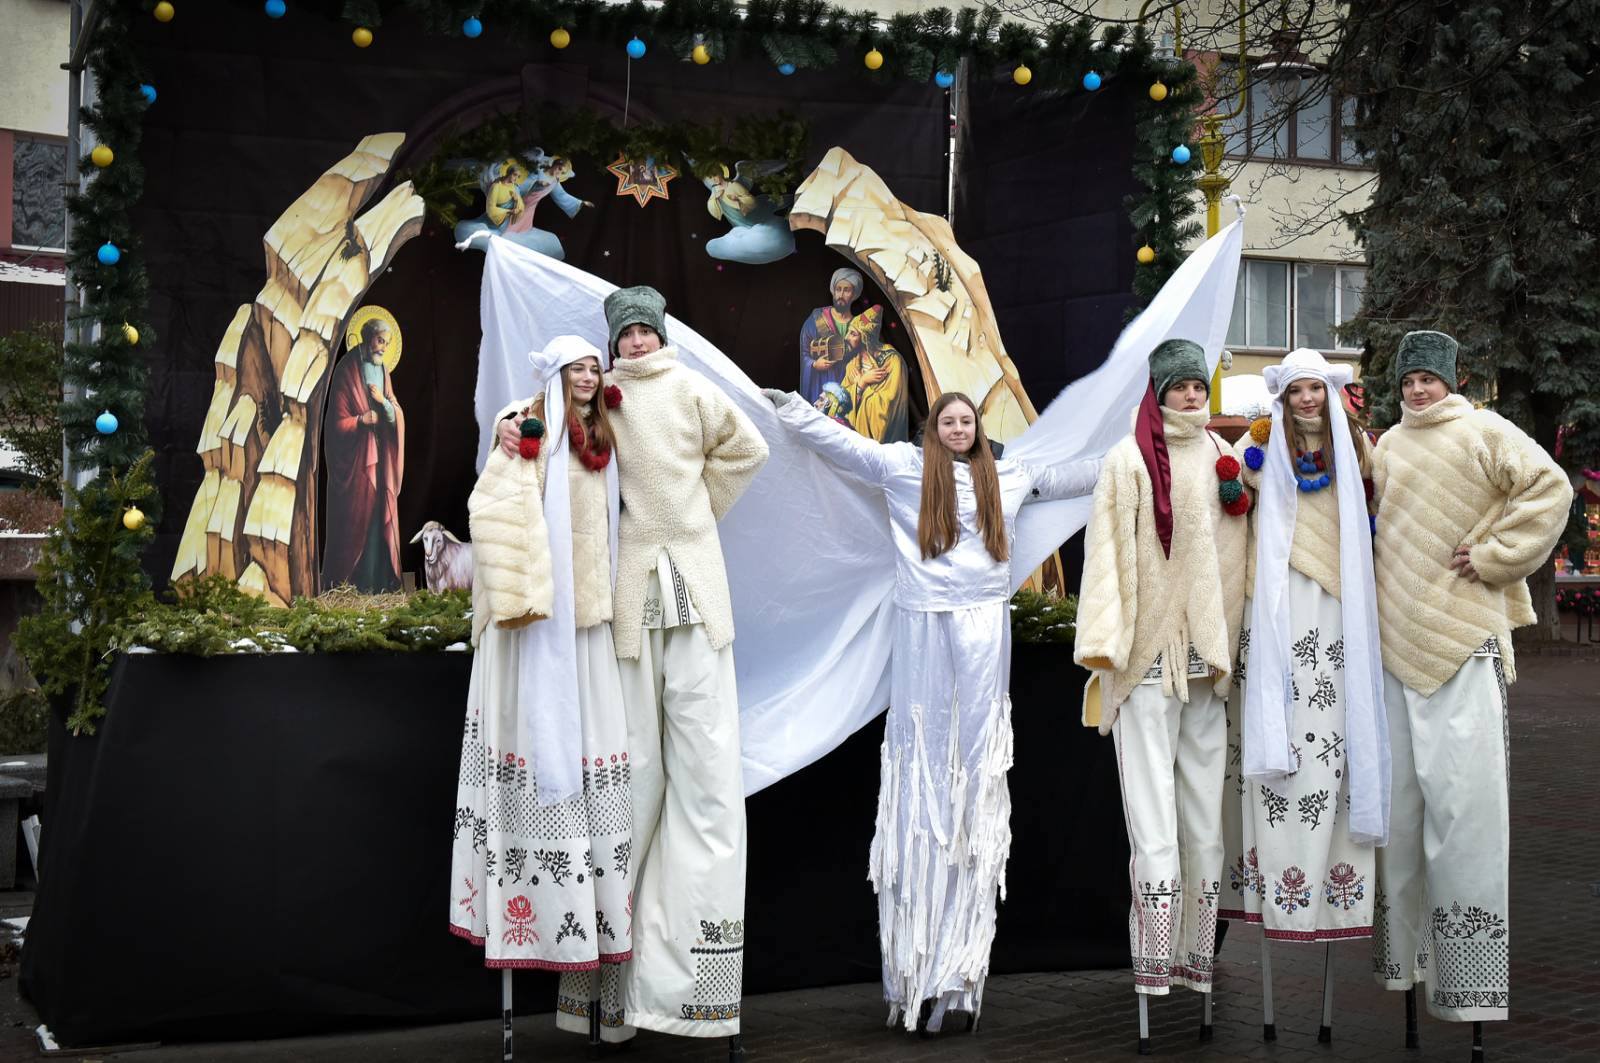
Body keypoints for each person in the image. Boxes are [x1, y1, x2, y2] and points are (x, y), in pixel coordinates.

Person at [762, 386, 1100, 1033]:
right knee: (922, 781)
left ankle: (960, 978)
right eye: (946, 419)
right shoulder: (903, 467)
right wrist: (793, 411)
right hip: (921, 628)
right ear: (933, 427)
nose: (956, 427)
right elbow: (843, 446)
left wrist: (1146, 444)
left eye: (965, 419)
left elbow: (1077, 474)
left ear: (976, 428)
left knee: (973, 782)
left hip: (981, 630)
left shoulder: (1008, 473)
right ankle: (912, 975)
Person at [1368, 330, 1571, 1027]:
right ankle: (1407, 968)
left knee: (1467, 814)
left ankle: (1470, 987)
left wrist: (1494, 554)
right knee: (1399, 818)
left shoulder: (1484, 429)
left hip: (1462, 644)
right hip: (1396, 649)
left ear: (1450, 379)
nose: (1419, 389)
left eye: (1430, 377)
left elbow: (1550, 487)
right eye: (1409, 380)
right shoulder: (1388, 445)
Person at [598, 286, 769, 1040]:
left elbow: (749, 449)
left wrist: (698, 514)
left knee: (706, 777)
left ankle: (693, 993)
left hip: (696, 589)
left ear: (661, 333)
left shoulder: (693, 387)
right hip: (633, 594)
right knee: (635, 774)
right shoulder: (600, 401)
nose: (636, 342)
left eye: (644, 331)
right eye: (625, 334)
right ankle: (613, 994)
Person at [452, 335, 633, 1038]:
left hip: (589, 622)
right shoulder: (528, 426)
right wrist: (509, 429)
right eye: (577, 367)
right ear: (558, 375)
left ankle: (601, 985)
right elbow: (494, 497)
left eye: (595, 365)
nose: (588, 376)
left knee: (599, 774)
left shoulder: (601, 435)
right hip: (538, 624)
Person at [1074, 338, 1249, 1002]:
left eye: (1199, 387)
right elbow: (1106, 556)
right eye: (1180, 387)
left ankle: (1195, 956)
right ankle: (1153, 961)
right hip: (1146, 659)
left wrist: (1228, 637)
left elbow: (1235, 555)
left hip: (1204, 660)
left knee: (1204, 819)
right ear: (1159, 390)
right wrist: (1105, 645)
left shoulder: (1219, 458)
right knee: (1152, 822)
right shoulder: (1127, 461)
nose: (1191, 396)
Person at [1220, 349, 1388, 951]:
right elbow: (1232, 506)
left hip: (1339, 599)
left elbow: (1381, 501)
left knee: (1332, 724)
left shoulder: (1357, 447)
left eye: (1316, 388)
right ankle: (1269, 871)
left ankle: (1334, 870)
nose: (1308, 399)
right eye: (1298, 391)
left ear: (1329, 391)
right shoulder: (1256, 449)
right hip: (1276, 597)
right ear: (1283, 399)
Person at [322, 317, 404, 592]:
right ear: (367, 338)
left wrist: (384, 405)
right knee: (358, 521)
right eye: (380, 341)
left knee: (380, 517)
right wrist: (360, 420)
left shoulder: (383, 371)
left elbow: (394, 411)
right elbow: (334, 425)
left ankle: (379, 585)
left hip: (380, 462)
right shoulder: (347, 370)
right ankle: (353, 588)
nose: (383, 348)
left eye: (387, 343)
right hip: (356, 466)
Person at [838, 305, 910, 443]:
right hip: (853, 442)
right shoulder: (853, 365)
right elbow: (840, 402)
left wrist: (863, 386)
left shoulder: (893, 362)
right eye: (848, 332)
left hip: (883, 446)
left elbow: (886, 409)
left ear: (865, 338)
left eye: (853, 334)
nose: (846, 337)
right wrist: (861, 383)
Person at [798, 268, 864, 404]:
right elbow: (804, 352)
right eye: (838, 289)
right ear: (833, 291)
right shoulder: (817, 318)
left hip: (847, 387)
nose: (841, 294)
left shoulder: (859, 325)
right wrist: (815, 364)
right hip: (820, 386)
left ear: (854, 294)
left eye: (847, 290)